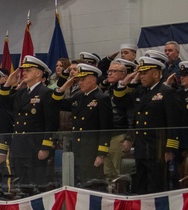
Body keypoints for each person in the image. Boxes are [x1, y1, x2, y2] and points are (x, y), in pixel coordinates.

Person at [122, 56, 181, 194]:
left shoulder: (167, 92)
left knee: (157, 187)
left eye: (144, 73)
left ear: (155, 74)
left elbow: (173, 122)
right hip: (142, 148)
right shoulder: (141, 91)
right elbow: (121, 101)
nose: (140, 76)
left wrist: (170, 149)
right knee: (140, 187)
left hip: (158, 149)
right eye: (140, 73)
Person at [0, 56, 59, 188]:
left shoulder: (46, 93)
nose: (23, 73)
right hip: (19, 146)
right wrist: (7, 84)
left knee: (37, 184)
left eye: (28, 70)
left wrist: (45, 147)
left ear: (38, 73)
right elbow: (2, 105)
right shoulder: (21, 93)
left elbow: (51, 122)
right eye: (23, 70)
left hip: (35, 147)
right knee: (22, 185)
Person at [53, 64, 111, 186]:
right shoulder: (78, 96)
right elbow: (56, 104)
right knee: (77, 180)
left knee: (92, 181)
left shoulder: (101, 98)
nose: (80, 83)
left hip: (92, 148)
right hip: (77, 147)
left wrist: (101, 153)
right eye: (79, 80)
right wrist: (64, 87)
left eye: (83, 79)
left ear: (93, 80)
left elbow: (105, 127)